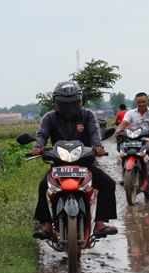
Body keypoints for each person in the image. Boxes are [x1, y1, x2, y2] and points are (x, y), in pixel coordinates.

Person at [32, 81, 118, 239]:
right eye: (65, 104)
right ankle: (47, 225)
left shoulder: (87, 115)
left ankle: (99, 224)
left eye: (73, 103)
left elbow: (94, 132)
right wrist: (38, 147)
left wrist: (98, 146)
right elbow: (42, 134)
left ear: (79, 101)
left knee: (108, 183)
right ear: (56, 103)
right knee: (43, 186)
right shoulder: (50, 117)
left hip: (84, 163)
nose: (69, 107)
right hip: (59, 164)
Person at [113, 92, 149, 184]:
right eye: (139, 102)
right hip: (132, 140)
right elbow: (123, 123)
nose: (141, 104)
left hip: (147, 139)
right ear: (136, 102)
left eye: (143, 101)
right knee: (122, 154)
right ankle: (125, 175)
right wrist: (118, 130)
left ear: (147, 101)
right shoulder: (130, 112)